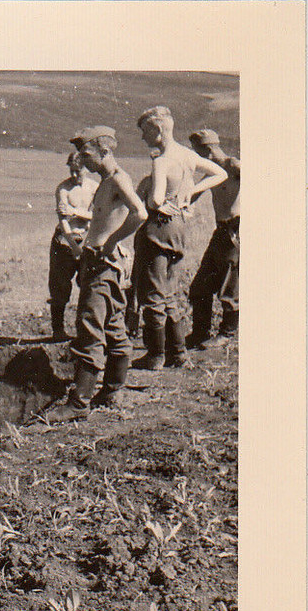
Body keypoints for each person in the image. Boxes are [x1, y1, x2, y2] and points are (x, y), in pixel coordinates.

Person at [46, 126, 148, 420]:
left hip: (102, 264)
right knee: (114, 325)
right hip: (102, 262)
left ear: (105, 151)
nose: (83, 160)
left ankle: (79, 404)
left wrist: (113, 241)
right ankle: (112, 390)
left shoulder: (117, 179)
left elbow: (139, 213)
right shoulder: (107, 180)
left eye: (87, 153)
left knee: (90, 326)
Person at [131, 106, 227, 370]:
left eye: (145, 131)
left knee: (152, 293)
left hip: (158, 229)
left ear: (158, 130)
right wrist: (191, 192)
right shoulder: (188, 155)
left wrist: (153, 198)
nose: (143, 137)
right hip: (178, 228)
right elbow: (221, 173)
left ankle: (155, 355)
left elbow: (156, 199)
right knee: (171, 291)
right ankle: (178, 354)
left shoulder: (160, 160)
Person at [185, 128, 240, 348]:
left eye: (197, 152)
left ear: (207, 150)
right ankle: (200, 333)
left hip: (236, 231)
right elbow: (192, 195)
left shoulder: (235, 166)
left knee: (230, 286)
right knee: (200, 286)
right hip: (220, 232)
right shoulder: (213, 173)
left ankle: (227, 333)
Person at [48, 151, 98, 340]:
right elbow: (64, 221)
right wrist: (74, 246)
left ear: (87, 168)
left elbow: (97, 217)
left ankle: (85, 330)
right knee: (59, 286)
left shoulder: (95, 188)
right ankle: (58, 330)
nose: (75, 175)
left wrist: (75, 211)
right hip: (65, 241)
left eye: (79, 171)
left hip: (87, 238)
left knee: (88, 286)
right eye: (72, 171)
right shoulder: (63, 189)